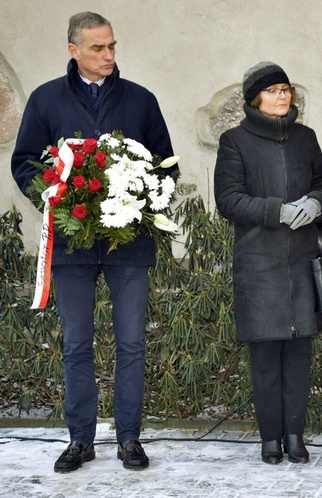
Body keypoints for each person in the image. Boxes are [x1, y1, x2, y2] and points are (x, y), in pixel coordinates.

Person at [10, 12, 177, 472]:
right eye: (98, 48)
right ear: (74, 50)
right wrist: (54, 194)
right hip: (71, 242)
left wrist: (141, 194)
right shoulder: (45, 100)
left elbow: (166, 165)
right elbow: (25, 162)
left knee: (131, 343)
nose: (108, 56)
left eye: (112, 47)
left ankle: (128, 440)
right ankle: (80, 440)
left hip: (129, 244)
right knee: (76, 344)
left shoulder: (141, 100)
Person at [213, 61, 322, 465]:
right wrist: (277, 211)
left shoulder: (306, 138)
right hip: (259, 262)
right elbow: (228, 200)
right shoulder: (234, 142)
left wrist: (316, 203)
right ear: (255, 98)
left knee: (300, 352)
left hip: (303, 260)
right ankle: (270, 439)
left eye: (286, 89)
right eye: (273, 90)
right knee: (266, 354)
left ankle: (296, 436)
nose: (282, 96)